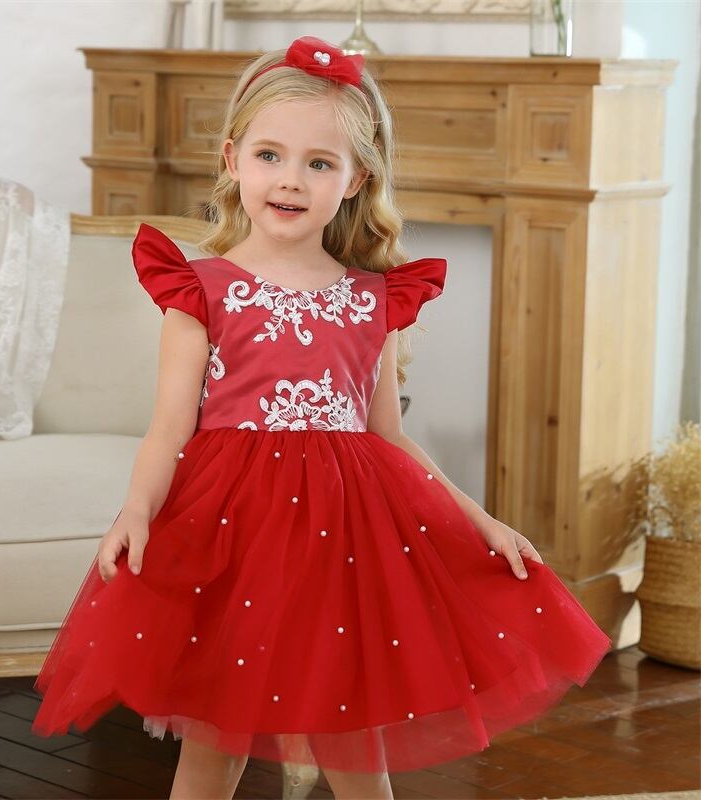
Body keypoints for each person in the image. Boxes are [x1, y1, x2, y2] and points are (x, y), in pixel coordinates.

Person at [31, 34, 612, 800]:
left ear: (355, 179)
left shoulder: (375, 300)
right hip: (233, 538)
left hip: (346, 545)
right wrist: (136, 510)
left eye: (319, 163)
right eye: (270, 155)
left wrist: (480, 521)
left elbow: (389, 436)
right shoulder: (200, 290)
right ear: (234, 159)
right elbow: (169, 429)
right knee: (213, 742)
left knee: (352, 737)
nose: (290, 179)